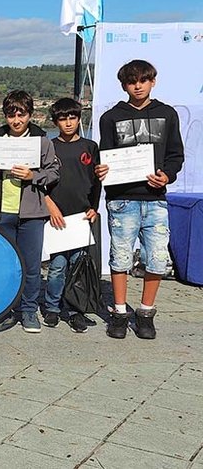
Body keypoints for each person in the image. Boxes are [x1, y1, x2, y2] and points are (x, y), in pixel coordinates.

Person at [96, 59, 184, 339]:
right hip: (122, 199)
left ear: (152, 81)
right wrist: (102, 168)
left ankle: (146, 312)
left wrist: (167, 176)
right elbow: (105, 156)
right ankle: (120, 312)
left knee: (157, 258)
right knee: (120, 258)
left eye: (143, 80)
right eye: (132, 81)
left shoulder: (167, 114)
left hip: (155, 198)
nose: (138, 86)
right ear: (123, 85)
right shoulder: (111, 117)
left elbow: (175, 154)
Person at [0, 91, 60, 333]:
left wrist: (33, 176)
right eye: (11, 115)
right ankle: (5, 308)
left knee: (31, 265)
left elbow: (55, 172)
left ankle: (28, 310)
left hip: (31, 213)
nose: (16, 120)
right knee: (5, 263)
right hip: (2, 210)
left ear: (30, 115)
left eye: (21, 115)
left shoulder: (43, 142)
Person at [43, 98, 101, 333]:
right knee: (57, 266)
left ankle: (77, 310)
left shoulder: (90, 146)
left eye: (72, 118)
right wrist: (50, 207)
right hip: (57, 216)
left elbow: (97, 181)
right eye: (62, 119)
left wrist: (94, 207)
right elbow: (41, 183)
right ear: (55, 121)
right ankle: (52, 308)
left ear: (79, 118)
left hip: (81, 217)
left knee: (79, 264)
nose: (68, 123)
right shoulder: (50, 146)